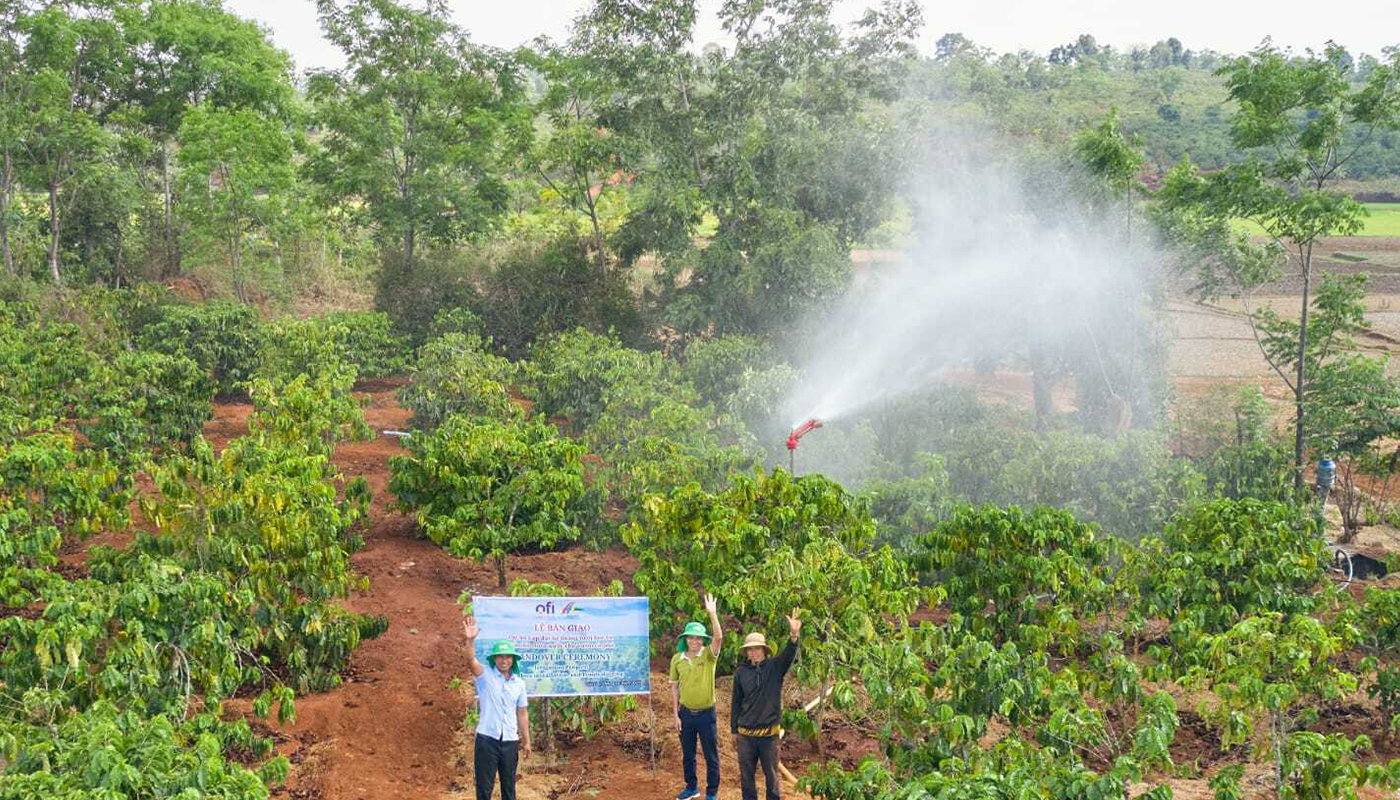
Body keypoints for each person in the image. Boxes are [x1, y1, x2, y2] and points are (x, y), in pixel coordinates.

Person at [731, 611, 801, 800]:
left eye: (757, 648)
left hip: (769, 736)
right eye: (750, 649)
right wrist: (733, 731)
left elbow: (788, 655)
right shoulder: (741, 673)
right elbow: (736, 702)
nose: (754, 652)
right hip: (745, 736)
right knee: (747, 778)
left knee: (772, 778)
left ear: (764, 650)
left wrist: (793, 636)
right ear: (747, 652)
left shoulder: (775, 667)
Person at [463, 616, 532, 800]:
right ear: (495, 659)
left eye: (508, 656)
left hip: (510, 741)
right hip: (487, 740)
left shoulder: (519, 684)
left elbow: (522, 713)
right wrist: (470, 640)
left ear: (513, 659)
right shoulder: (485, 676)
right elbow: (471, 662)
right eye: (500, 657)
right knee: (484, 789)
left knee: (509, 790)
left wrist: (526, 741)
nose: (504, 660)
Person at [670, 592, 723, 800]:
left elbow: (718, 637)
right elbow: (674, 688)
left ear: (703, 640)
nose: (694, 640)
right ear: (686, 639)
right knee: (688, 755)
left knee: (711, 755)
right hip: (685, 715)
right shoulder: (677, 659)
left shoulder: (709, 656)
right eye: (690, 637)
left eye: (698, 637)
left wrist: (712, 614)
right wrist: (675, 715)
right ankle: (692, 787)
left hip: (706, 714)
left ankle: (711, 793)